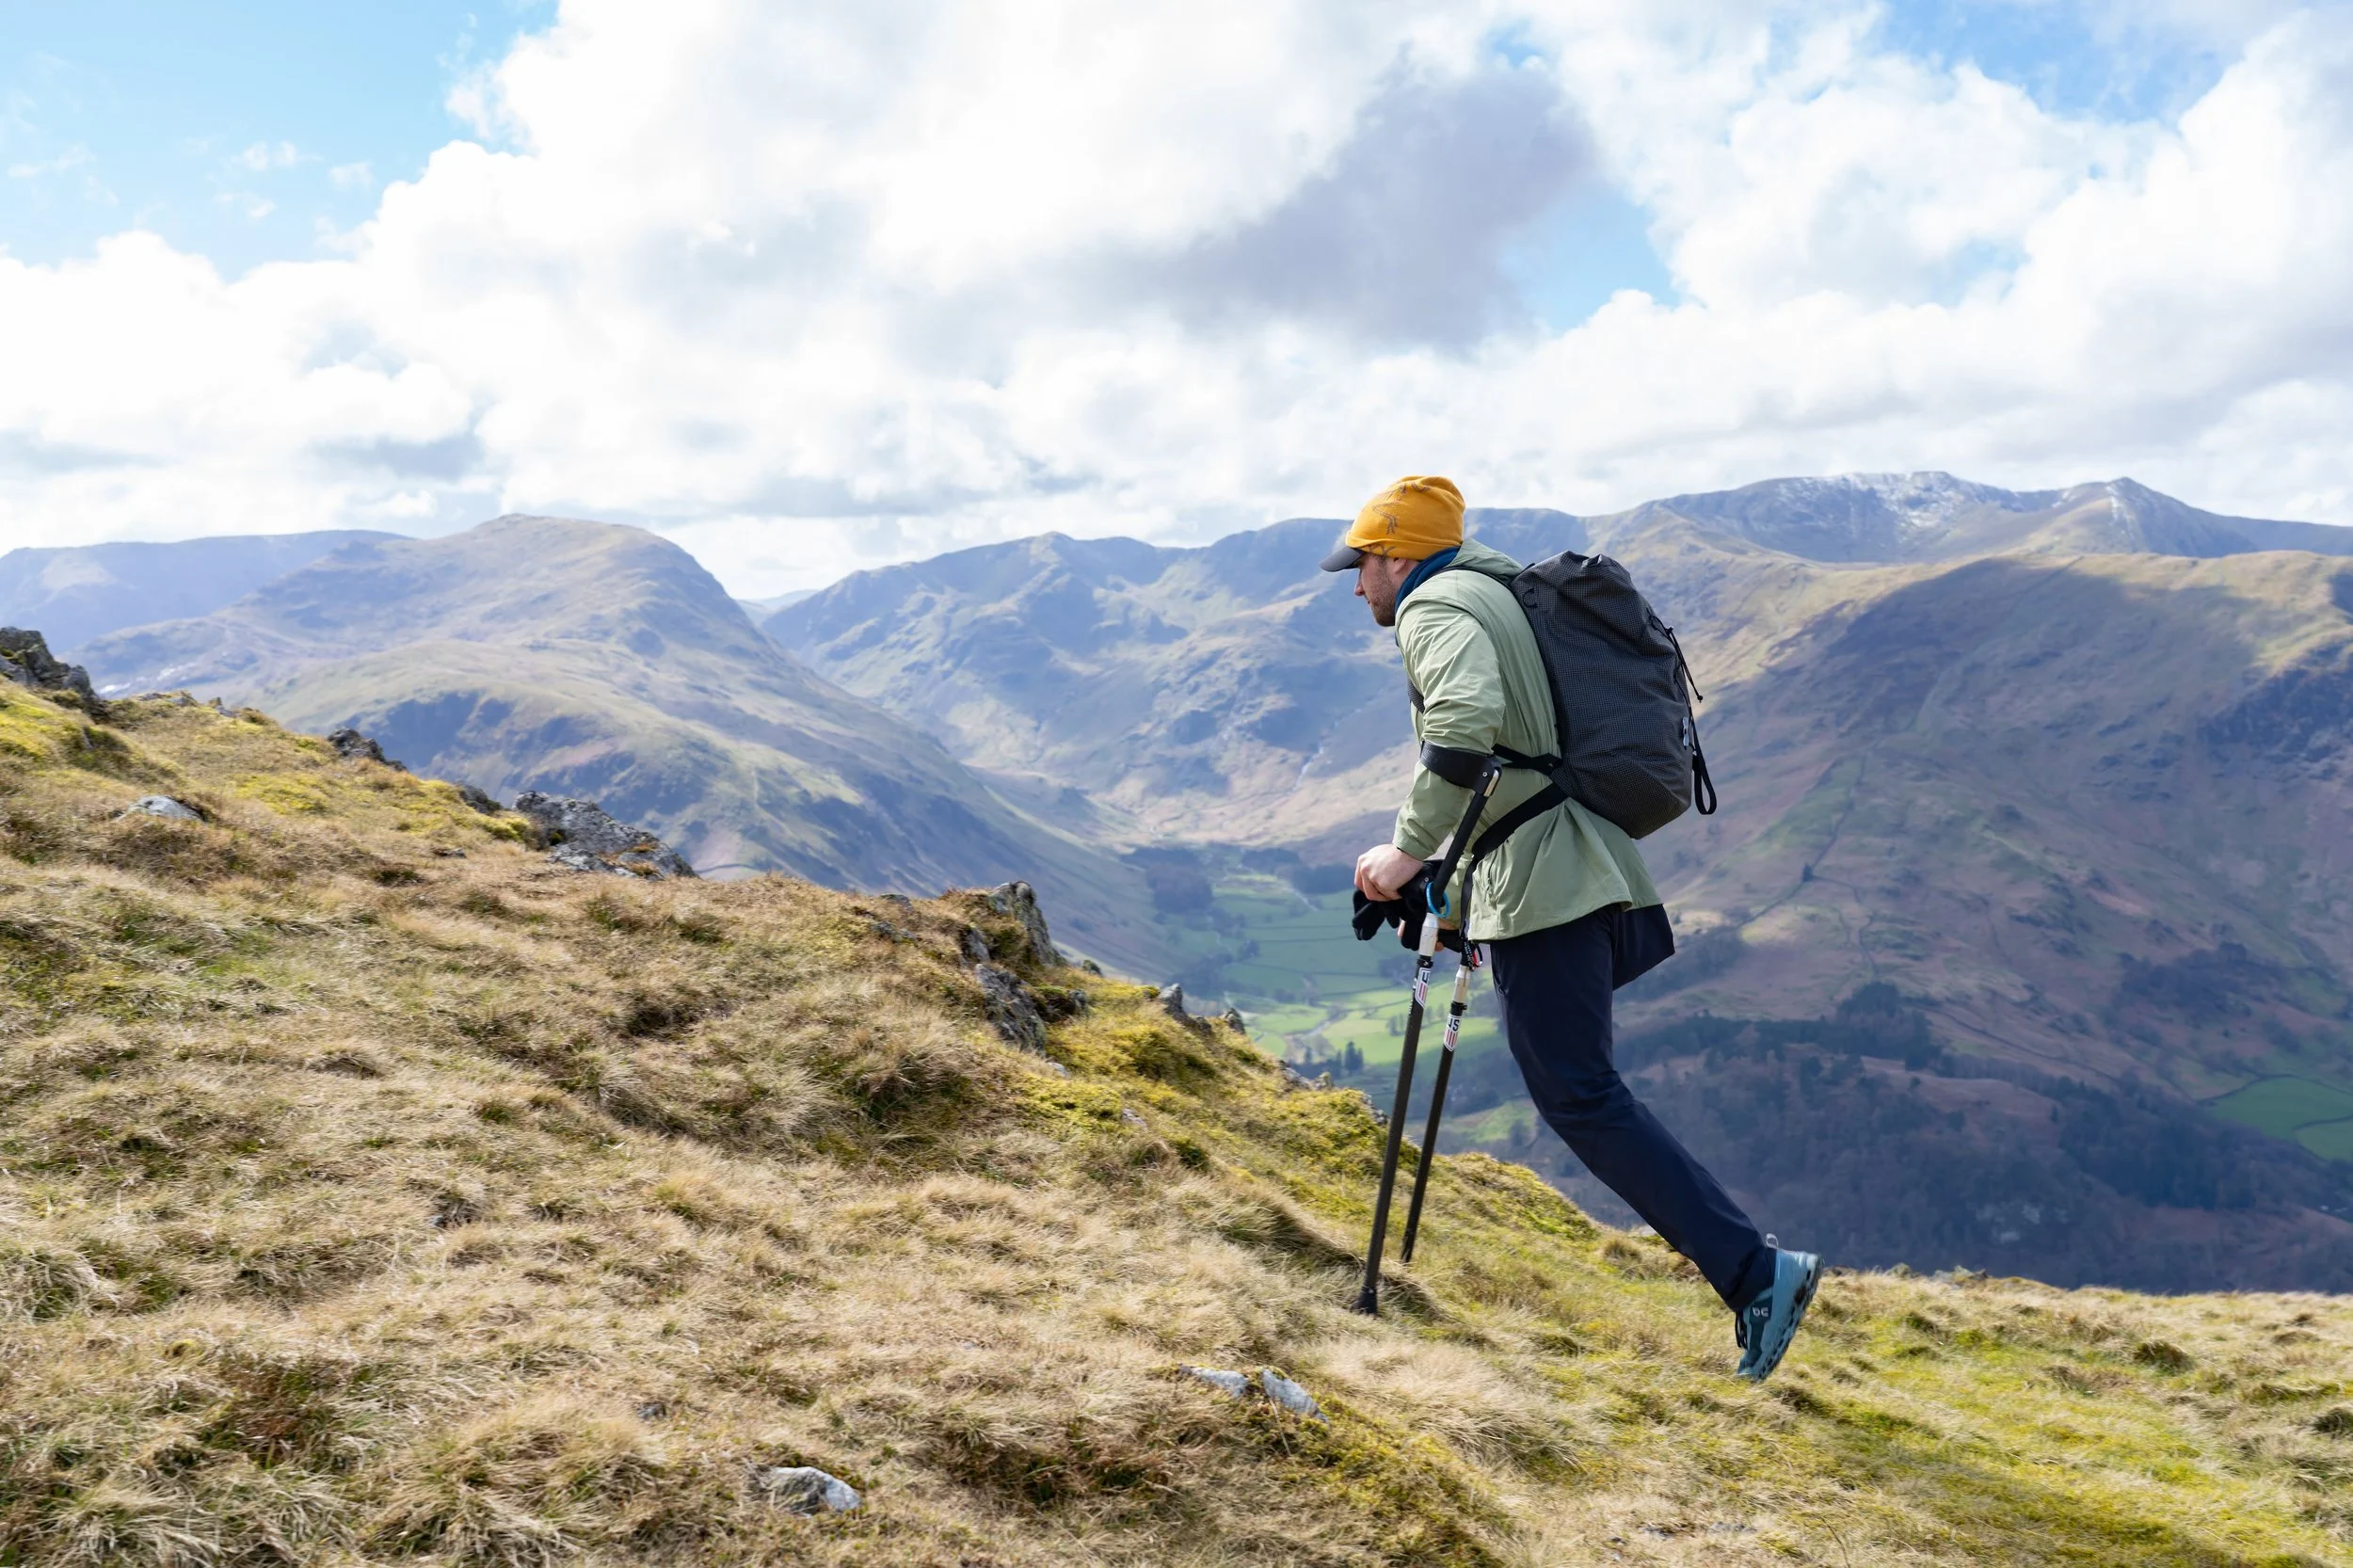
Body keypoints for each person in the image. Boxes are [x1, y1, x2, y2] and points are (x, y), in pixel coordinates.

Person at [1325, 474, 1819, 1381]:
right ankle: (1755, 1272)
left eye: (1360, 567)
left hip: (1546, 882)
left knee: (1581, 1095)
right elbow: (1514, 757)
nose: (1357, 587)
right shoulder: (1496, 591)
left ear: (1395, 555)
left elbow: (1469, 729)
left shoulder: (1437, 607)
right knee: (1584, 1090)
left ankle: (1757, 1274)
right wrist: (1445, 883)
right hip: (1566, 863)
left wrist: (1405, 852)